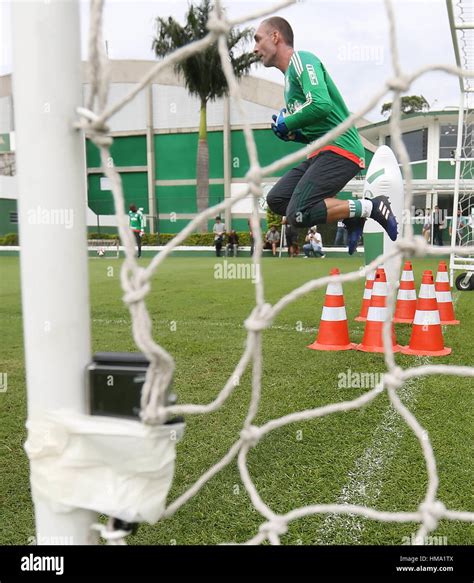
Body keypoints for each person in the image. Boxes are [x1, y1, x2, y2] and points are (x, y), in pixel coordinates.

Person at [253, 17, 398, 255]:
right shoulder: (289, 84)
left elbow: (321, 104)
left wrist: (287, 121)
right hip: (320, 153)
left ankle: (372, 206)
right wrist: (292, 135)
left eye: (258, 40)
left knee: (298, 213)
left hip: (342, 149)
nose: (255, 48)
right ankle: (352, 216)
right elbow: (315, 127)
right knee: (277, 200)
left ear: (276, 37)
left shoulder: (301, 60)